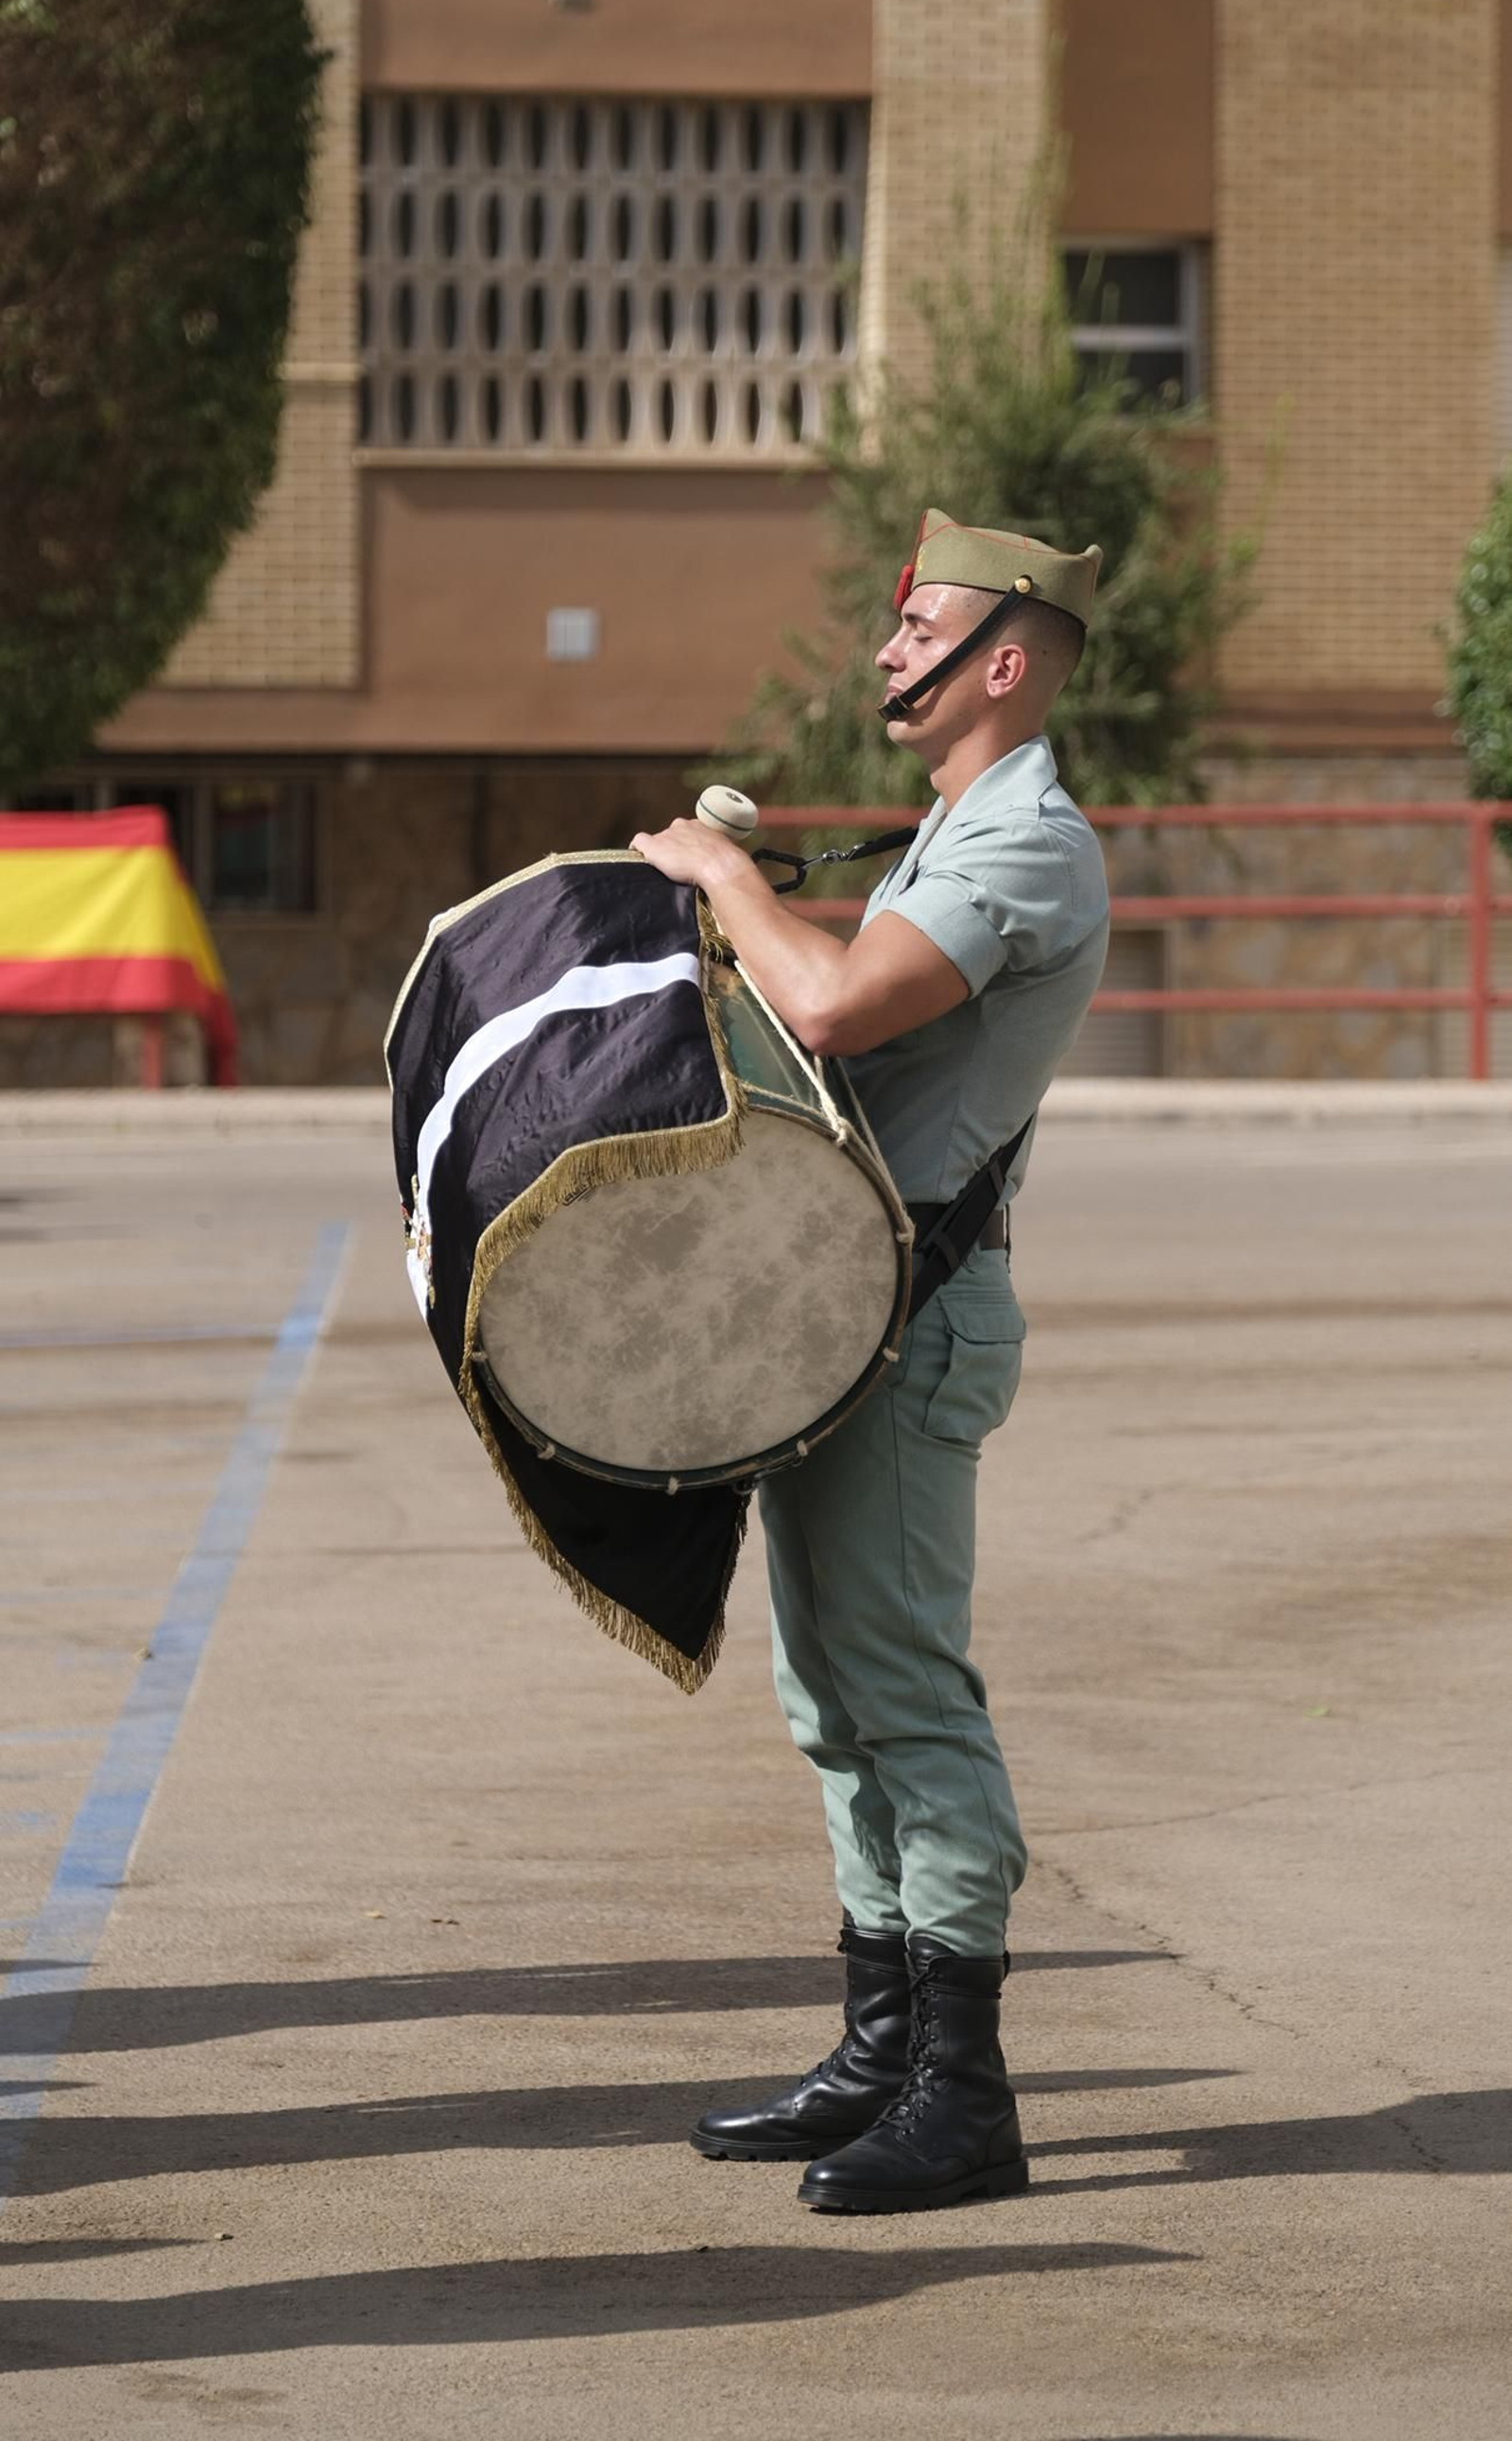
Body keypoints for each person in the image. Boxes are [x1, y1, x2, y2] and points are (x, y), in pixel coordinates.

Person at [629, 508, 1109, 2214]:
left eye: (923, 630)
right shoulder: (948, 833)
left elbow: (835, 1007)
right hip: (846, 1314)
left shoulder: (1029, 845)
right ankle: (881, 2048)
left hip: (915, 1322)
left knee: (906, 1689)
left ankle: (965, 2093)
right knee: (831, 1695)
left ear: (1004, 661)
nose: (890, 651)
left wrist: (725, 878)